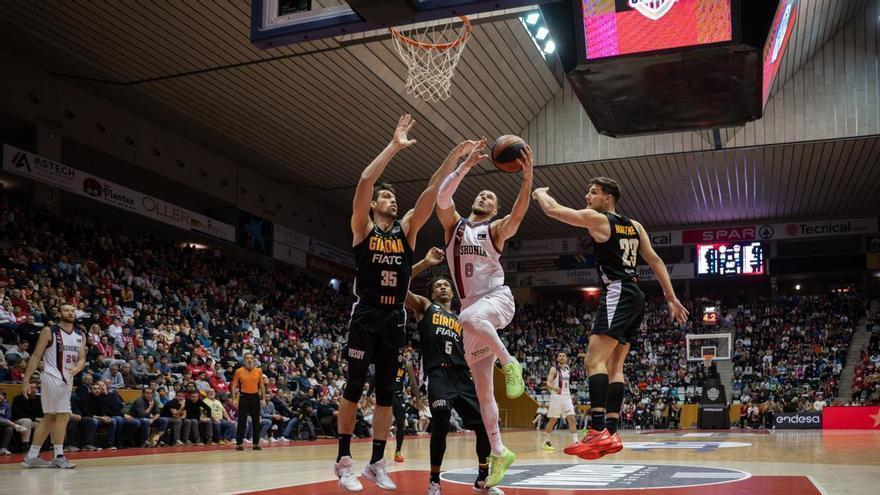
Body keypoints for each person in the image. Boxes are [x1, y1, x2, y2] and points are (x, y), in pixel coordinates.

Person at [334, 114, 479, 493]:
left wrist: (455, 159)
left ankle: (377, 463)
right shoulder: (362, 228)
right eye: (387, 196)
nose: (391, 200)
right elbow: (365, 181)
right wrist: (394, 146)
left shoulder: (408, 229)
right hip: (365, 311)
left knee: (386, 392)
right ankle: (344, 460)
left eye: (394, 197)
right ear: (375, 205)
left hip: (394, 316)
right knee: (352, 387)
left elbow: (432, 189)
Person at [532, 177, 688, 460]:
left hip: (617, 291)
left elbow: (553, 210)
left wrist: (540, 192)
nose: (587, 196)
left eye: (593, 192)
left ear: (608, 198)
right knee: (616, 366)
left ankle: (596, 429)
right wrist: (671, 297)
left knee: (593, 361)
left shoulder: (599, 220)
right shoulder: (635, 226)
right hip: (636, 295)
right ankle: (612, 433)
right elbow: (654, 260)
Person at [435, 139, 533, 487]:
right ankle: (499, 450)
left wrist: (526, 180)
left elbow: (518, 215)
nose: (484, 197)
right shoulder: (455, 227)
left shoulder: (495, 229)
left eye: (491, 197)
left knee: (467, 318)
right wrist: (464, 167)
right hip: (472, 309)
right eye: (481, 194)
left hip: (496, 300)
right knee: (482, 391)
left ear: (494, 210)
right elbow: (442, 200)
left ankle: (510, 362)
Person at [404, 247, 502, 495]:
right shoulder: (425, 307)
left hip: (462, 375)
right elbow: (398, 287)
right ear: (432, 292)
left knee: (483, 425)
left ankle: (482, 479)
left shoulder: (463, 318)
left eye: (446, 285)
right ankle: (434, 481)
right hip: (438, 374)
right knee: (441, 419)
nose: (443, 288)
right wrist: (425, 263)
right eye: (438, 285)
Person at [20, 303, 85, 469]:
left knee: (50, 417)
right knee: (63, 415)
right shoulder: (50, 331)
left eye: (72, 311)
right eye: (66, 310)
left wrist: (78, 367)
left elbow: (82, 358)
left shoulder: (80, 335)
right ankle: (58, 455)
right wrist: (26, 380)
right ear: (59, 313)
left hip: (68, 379)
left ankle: (32, 456)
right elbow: (35, 356)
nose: (70, 312)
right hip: (52, 376)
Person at [542, 352, 579, 451]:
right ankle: (546, 441)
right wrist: (554, 388)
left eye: (563, 356)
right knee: (553, 420)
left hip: (567, 397)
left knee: (571, 418)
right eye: (560, 356)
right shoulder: (554, 369)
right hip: (556, 397)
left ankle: (575, 443)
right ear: (557, 358)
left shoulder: (567, 369)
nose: (561, 357)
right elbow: (548, 383)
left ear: (566, 358)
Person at [231, 353, 266, 451]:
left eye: (251, 358)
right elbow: (234, 385)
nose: (249, 360)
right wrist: (234, 398)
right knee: (242, 420)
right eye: (247, 358)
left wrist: (263, 398)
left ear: (254, 359)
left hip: (255, 397)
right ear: (244, 360)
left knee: (256, 421)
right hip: (244, 397)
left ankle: (256, 443)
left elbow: (262, 385)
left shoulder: (258, 371)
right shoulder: (239, 371)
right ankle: (239, 443)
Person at [390, 350, 418, 463]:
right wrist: (368, 394)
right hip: (386, 395)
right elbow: (375, 377)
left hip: (398, 396)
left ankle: (398, 452)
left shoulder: (406, 365)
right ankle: (378, 454)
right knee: (383, 424)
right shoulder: (387, 362)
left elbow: (413, 382)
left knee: (401, 423)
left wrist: (418, 397)